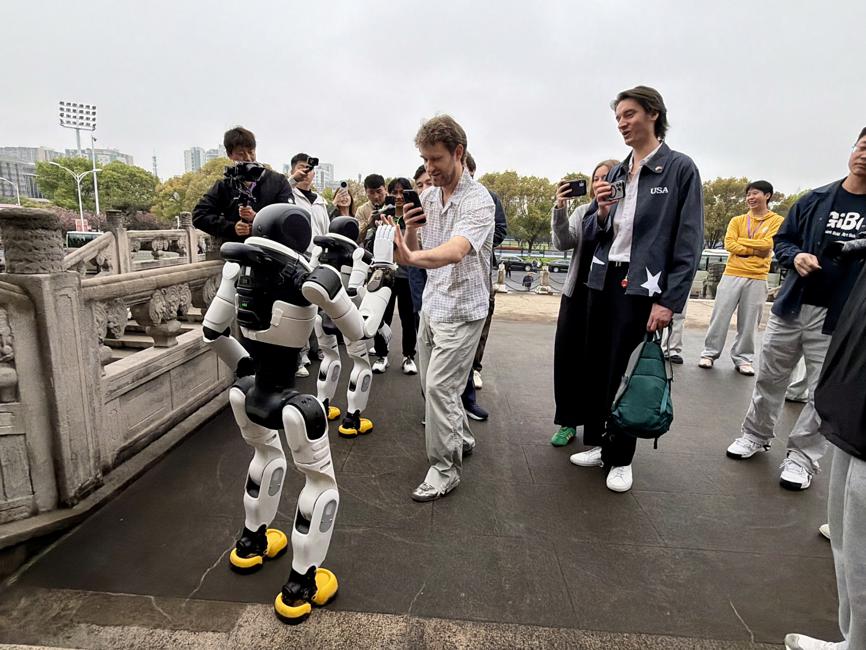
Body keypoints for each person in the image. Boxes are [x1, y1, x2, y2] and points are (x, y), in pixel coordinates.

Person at [568, 86, 703, 493]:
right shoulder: (614, 172)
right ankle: (602, 443)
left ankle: (622, 457)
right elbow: (592, 231)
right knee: (596, 364)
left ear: (653, 114)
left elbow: (689, 240)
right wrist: (602, 209)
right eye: (618, 118)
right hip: (602, 278)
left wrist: (670, 301)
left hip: (643, 286)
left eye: (629, 115)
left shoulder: (679, 168)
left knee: (626, 369)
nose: (622, 123)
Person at [726, 127, 866, 491]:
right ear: (852, 150)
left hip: (841, 318)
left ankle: (802, 458)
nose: (864, 155)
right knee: (770, 376)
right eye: (862, 146)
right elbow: (783, 240)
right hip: (793, 305)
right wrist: (795, 256)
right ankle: (755, 434)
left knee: (821, 392)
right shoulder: (816, 199)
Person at [387, 114, 495, 502]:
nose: (428, 169)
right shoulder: (429, 195)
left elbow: (456, 250)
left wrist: (412, 258)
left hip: (464, 310)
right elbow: (416, 246)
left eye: (435, 159)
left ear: (458, 153)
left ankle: (444, 469)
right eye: (424, 159)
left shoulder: (478, 201)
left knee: (439, 387)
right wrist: (410, 231)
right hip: (432, 306)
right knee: (430, 387)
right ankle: (461, 436)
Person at [786, 166, 866, 649]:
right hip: (850, 405)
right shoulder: (819, 200)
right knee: (845, 532)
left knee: (859, 539)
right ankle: (853, 639)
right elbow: (787, 241)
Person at [549, 160, 619, 446]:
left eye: (606, 178)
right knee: (567, 358)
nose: (599, 183)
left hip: (608, 298)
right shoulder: (582, 211)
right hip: (577, 295)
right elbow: (563, 242)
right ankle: (567, 421)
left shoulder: (625, 212)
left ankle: (600, 423)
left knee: (600, 363)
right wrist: (560, 208)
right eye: (596, 178)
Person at [699, 181, 784, 375]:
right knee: (720, 316)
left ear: (768, 195)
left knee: (750, 321)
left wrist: (746, 246)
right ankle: (709, 353)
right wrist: (756, 248)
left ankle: (744, 358)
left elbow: (769, 244)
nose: (751, 198)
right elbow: (730, 244)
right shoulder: (737, 220)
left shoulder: (776, 220)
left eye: (755, 194)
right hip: (732, 273)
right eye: (748, 195)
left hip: (758, 276)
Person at [192, 126, 292, 245]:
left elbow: (288, 217)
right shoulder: (224, 185)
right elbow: (199, 216)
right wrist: (231, 228)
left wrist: (258, 218)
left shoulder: (278, 181)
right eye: (241, 154)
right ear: (230, 155)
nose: (248, 158)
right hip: (237, 253)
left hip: (271, 251)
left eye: (251, 152)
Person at [288, 153, 331, 377]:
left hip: (320, 257)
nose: (306, 173)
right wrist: (292, 179)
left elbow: (326, 229)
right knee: (300, 306)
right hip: (298, 257)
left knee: (320, 305)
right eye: (301, 168)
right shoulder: (288, 195)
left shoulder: (320, 200)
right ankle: (301, 354)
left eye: (309, 169)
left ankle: (321, 348)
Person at [375, 177, 418, 375]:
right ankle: (382, 355)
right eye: (395, 192)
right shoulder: (383, 216)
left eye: (403, 192)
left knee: (409, 317)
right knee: (382, 317)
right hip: (386, 275)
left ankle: (409, 356)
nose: (399, 197)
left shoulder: (415, 216)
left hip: (407, 275)